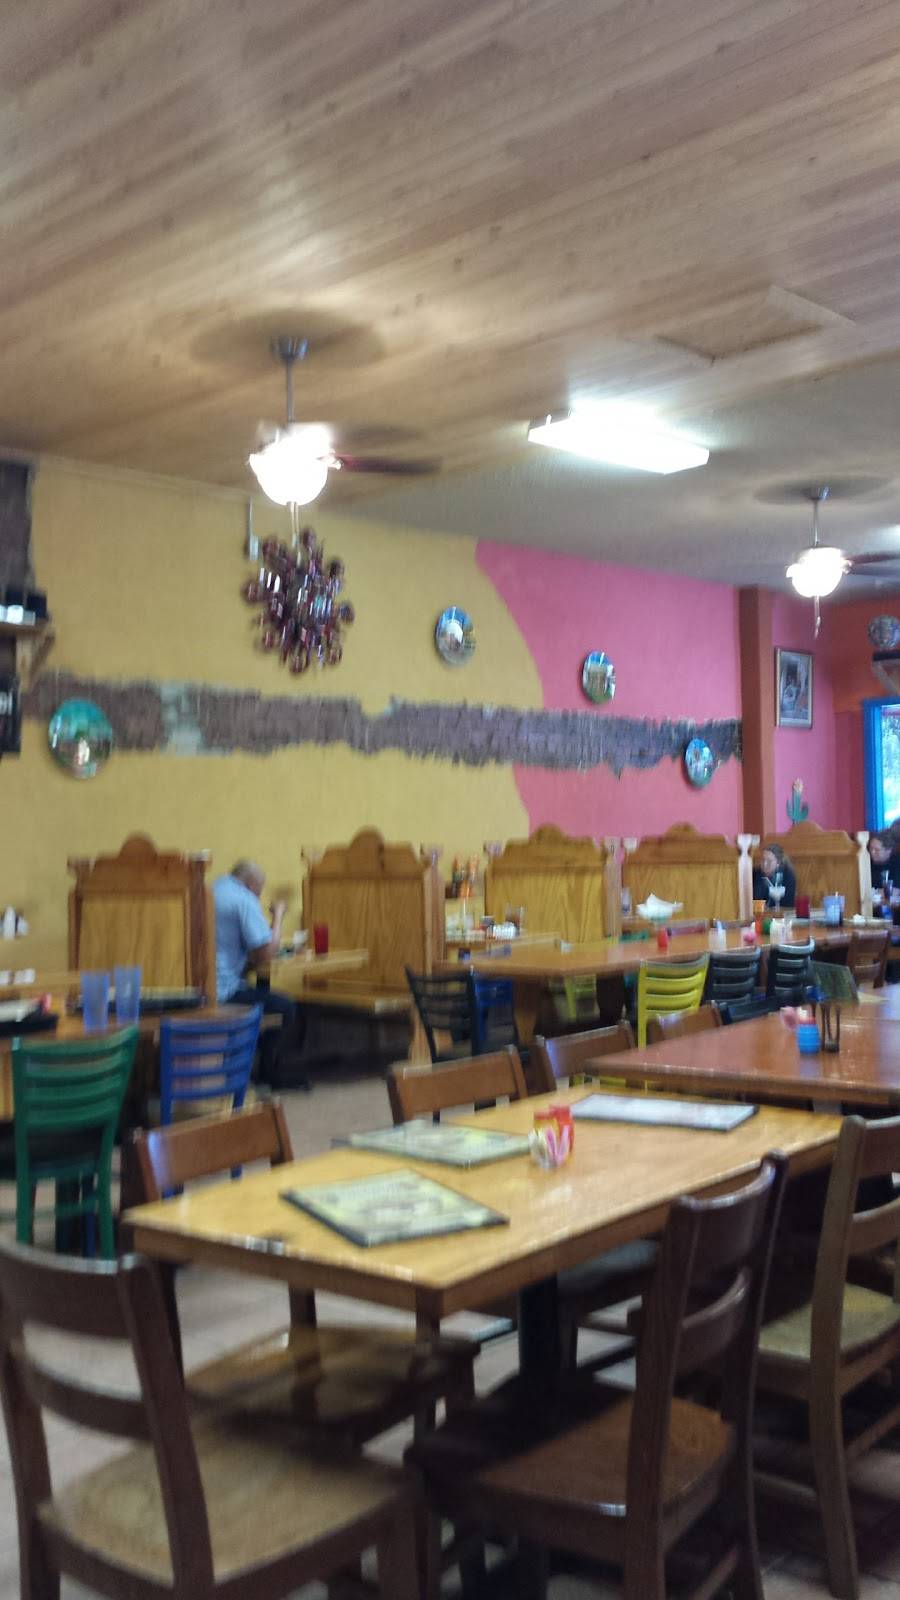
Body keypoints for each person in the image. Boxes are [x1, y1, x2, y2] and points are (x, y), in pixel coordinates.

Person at [213, 860, 307, 1088]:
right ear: (251, 884)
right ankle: (266, 1072)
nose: (259, 895)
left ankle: (252, 1069)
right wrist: (279, 916)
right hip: (224, 990)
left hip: (203, 986)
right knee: (286, 1007)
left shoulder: (214, 889)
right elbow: (265, 953)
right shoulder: (243, 899)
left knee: (262, 996)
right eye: (260, 889)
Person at [752, 843, 797, 910]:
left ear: (778, 863)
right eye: (763, 860)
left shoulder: (787, 875)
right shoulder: (755, 873)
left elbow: (788, 903)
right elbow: (754, 898)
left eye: (769, 861)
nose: (765, 864)